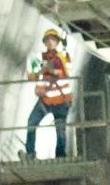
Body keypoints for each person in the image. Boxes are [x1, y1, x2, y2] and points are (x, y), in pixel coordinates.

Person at [27, 28, 75, 159]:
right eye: (48, 40)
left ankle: (60, 156)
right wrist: (43, 71)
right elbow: (32, 75)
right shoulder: (39, 57)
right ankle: (30, 153)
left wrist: (46, 70)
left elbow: (62, 72)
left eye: (53, 40)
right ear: (44, 42)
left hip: (61, 100)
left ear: (57, 42)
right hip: (46, 100)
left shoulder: (63, 56)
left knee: (60, 131)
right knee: (31, 123)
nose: (50, 42)